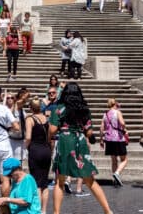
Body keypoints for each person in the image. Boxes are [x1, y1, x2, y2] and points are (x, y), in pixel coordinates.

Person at [48, 83, 113, 214]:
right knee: (89, 180)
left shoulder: (59, 109)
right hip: (80, 142)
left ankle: (56, 212)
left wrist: (52, 131)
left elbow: (53, 130)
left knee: (60, 181)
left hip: (65, 142)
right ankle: (108, 211)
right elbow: (89, 132)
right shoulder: (84, 109)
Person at [23, 98, 52, 214]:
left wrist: (25, 146)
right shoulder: (46, 118)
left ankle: (37, 210)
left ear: (30, 108)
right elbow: (50, 136)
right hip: (46, 149)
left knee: (36, 182)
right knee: (44, 182)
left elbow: (29, 137)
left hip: (35, 150)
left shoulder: (30, 119)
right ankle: (44, 210)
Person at [100, 98, 128, 186]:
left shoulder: (105, 114)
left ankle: (115, 180)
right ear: (115, 103)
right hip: (118, 138)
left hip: (108, 139)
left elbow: (101, 128)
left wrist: (101, 139)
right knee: (124, 159)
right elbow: (122, 123)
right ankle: (117, 173)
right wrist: (125, 128)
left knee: (114, 160)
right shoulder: (117, 112)